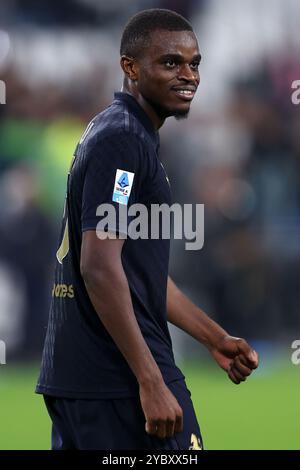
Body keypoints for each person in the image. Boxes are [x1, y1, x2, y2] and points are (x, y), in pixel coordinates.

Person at [36, 8, 259, 450]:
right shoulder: (123, 141)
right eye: (171, 62)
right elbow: (99, 268)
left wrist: (214, 337)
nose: (189, 75)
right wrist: (151, 379)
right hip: (117, 380)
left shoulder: (118, 132)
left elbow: (140, 276)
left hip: (85, 379)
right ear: (130, 68)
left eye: (194, 63)